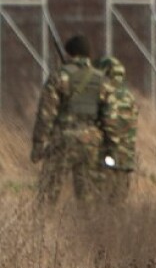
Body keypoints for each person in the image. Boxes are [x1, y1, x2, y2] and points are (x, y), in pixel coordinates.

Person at [31, 35, 120, 203]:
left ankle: (44, 228)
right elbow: (111, 119)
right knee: (89, 201)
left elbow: (45, 114)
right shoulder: (102, 80)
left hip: (62, 142)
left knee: (47, 197)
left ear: (69, 53)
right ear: (89, 55)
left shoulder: (58, 77)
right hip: (91, 145)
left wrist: (38, 144)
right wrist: (111, 147)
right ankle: (90, 229)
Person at [95, 56, 139, 202]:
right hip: (126, 154)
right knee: (120, 198)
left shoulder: (104, 93)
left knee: (103, 196)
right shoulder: (129, 96)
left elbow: (102, 120)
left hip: (108, 152)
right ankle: (119, 222)